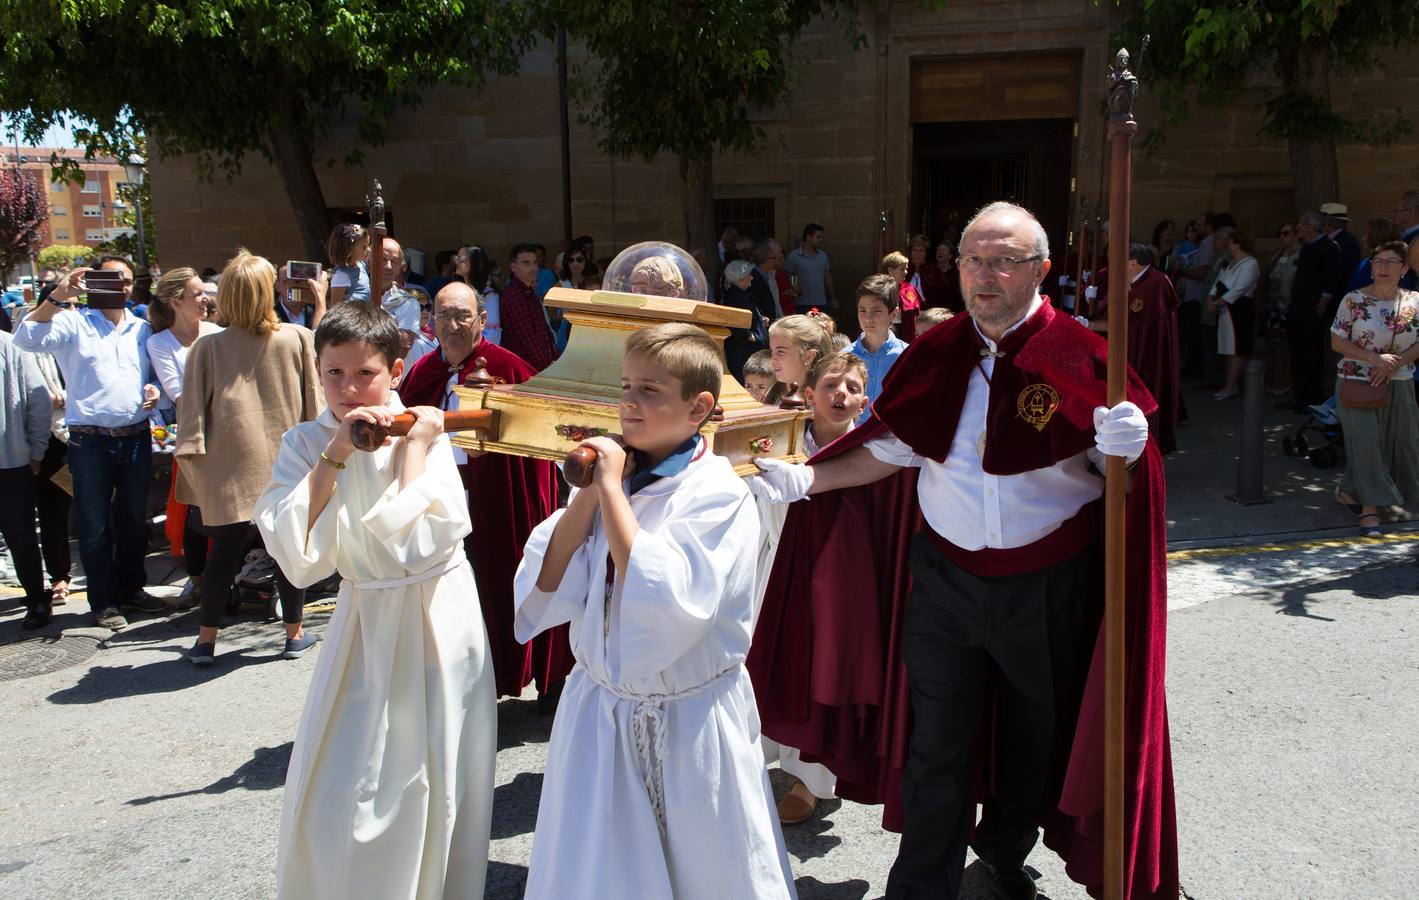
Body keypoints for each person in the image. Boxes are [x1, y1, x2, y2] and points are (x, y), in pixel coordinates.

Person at [748, 201, 1176, 900]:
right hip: (945, 582)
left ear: (1038, 268)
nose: (983, 275)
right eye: (973, 259)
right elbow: (888, 447)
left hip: (1046, 583)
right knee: (935, 747)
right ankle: (920, 888)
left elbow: (1122, 489)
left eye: (1002, 260)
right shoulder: (936, 353)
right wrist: (808, 478)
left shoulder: (1083, 355)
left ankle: (1004, 856)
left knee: (1033, 743)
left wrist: (1125, 451)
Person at [514, 323, 795, 900]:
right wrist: (592, 492)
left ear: (699, 408)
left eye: (650, 391)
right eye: (625, 388)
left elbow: (667, 601)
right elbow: (548, 575)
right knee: (600, 868)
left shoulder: (717, 493)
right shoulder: (614, 475)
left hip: (688, 717)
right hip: (602, 712)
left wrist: (613, 491)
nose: (629, 405)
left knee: (704, 867)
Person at [254, 301, 496, 899]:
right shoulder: (306, 441)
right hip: (366, 615)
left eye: (364, 373)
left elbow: (422, 535)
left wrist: (415, 445)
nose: (348, 387)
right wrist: (335, 453)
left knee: (437, 769)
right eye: (333, 373)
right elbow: (295, 549)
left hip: (438, 610)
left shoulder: (423, 428)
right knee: (349, 775)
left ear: (395, 369)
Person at [398, 282, 570, 705]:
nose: (452, 325)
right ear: (430, 322)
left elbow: (537, 443)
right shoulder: (422, 374)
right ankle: (464, 685)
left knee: (511, 581)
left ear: (480, 320)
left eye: (462, 315)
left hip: (500, 497)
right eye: (443, 316)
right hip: (440, 501)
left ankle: (543, 678)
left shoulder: (510, 369)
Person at [175, 250, 320, 665]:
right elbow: (315, 405)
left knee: (224, 551)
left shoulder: (207, 347)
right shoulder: (296, 338)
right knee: (284, 548)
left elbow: (191, 419)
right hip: (286, 461)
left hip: (227, 466)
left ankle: (206, 642)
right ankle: (294, 634)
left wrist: (193, 468)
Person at [14, 262, 164, 630]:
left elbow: (153, 380)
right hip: (89, 441)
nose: (122, 287)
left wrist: (153, 393)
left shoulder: (142, 328)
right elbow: (26, 338)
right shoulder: (73, 322)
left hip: (135, 437)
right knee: (95, 527)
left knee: (133, 521)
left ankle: (131, 589)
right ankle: (104, 601)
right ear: (94, 282)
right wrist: (59, 294)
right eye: (112, 280)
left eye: (128, 281)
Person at [1330, 241, 1419, 537]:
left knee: (1400, 443)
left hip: (1400, 381)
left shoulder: (1415, 300)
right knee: (1367, 442)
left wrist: (1394, 363)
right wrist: (1374, 359)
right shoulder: (1353, 301)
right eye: (1377, 261)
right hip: (1357, 381)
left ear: (1404, 268)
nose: (1382, 267)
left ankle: (1348, 490)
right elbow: (1337, 341)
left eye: (1390, 262)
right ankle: (1370, 510)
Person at [146, 267, 224, 608]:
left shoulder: (217, 332)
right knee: (196, 510)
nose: (205, 299)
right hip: (193, 438)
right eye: (196, 294)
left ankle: (224, 575)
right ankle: (196, 578)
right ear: (176, 301)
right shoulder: (159, 342)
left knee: (226, 511)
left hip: (226, 434)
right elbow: (178, 394)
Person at [1092, 244, 1183, 455]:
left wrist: (1091, 326)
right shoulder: (1134, 278)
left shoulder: (1155, 283)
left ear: (1132, 263)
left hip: (1149, 349)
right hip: (1135, 343)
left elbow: (1128, 319)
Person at [0, 329, 52, 629]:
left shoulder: (12, 345)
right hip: (14, 462)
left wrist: (35, 450)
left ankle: (37, 599)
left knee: (21, 538)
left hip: (10, 463)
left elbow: (39, 399)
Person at [1286, 210, 1346, 411]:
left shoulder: (1329, 247)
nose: (1298, 228)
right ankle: (1299, 394)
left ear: (1311, 227)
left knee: (1311, 352)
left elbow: (1332, 278)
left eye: (1301, 224)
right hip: (1298, 304)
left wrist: (1321, 305)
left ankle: (1312, 396)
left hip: (1313, 307)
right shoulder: (1306, 248)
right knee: (1297, 351)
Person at [1208, 228, 1260, 401]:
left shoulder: (1250, 263)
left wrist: (1218, 302)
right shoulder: (1230, 262)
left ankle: (1231, 386)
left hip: (1239, 310)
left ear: (1237, 243)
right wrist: (1211, 298)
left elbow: (1240, 288)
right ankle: (1229, 385)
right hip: (1225, 310)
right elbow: (1218, 283)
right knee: (1227, 347)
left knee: (1237, 348)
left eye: (1230, 241)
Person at [850, 274, 907, 423]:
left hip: (890, 441)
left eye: (876, 311)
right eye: (862, 310)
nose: (868, 318)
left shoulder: (906, 356)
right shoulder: (845, 357)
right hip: (850, 437)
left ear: (893, 313)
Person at [500, 243, 558, 371]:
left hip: (537, 369)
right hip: (526, 371)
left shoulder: (529, 294)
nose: (533, 268)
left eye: (535, 263)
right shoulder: (514, 296)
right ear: (513, 267)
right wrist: (549, 368)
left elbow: (544, 333)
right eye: (526, 263)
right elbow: (529, 339)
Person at [1263, 223, 1300, 395]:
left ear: (1295, 235)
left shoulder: (1299, 254)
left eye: (1286, 233)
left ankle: (1285, 381)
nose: (1282, 237)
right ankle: (1275, 380)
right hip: (1273, 307)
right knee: (1274, 345)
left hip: (1288, 307)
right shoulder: (1277, 256)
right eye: (1280, 233)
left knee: (1286, 346)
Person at [766, 313, 833, 407]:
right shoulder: (770, 394)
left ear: (809, 357)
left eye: (780, 351)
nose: (772, 360)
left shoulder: (826, 402)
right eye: (772, 351)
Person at [722, 259, 768, 380]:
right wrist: (749, 335)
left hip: (746, 350)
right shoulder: (735, 296)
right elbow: (733, 320)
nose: (752, 278)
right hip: (743, 351)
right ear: (741, 278)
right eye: (749, 275)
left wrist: (759, 320)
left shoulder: (740, 294)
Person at [783, 223, 836, 311]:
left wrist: (833, 297)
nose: (821, 240)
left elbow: (828, 277)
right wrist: (795, 286)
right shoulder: (794, 256)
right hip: (800, 303)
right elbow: (788, 275)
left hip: (820, 303)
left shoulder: (822, 255)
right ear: (808, 237)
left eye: (821, 237)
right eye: (818, 237)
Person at [1344, 218, 1403, 295]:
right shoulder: (1401, 263)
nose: (1363, 239)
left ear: (1374, 237)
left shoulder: (1366, 265)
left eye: (1366, 234)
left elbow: (1353, 292)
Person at [326, 223, 371, 304]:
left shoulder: (361, 265)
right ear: (349, 249)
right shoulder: (341, 275)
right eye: (364, 247)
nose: (369, 250)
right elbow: (335, 307)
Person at [275, 263, 329, 330]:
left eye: (300, 281)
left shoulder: (318, 311)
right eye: (289, 281)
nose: (295, 286)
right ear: (278, 286)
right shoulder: (270, 316)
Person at [882, 251, 922, 341]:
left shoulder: (910, 289)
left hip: (907, 337)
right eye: (902, 269)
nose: (906, 272)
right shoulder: (879, 290)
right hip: (885, 338)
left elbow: (917, 315)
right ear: (890, 270)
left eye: (906, 269)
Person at [1321, 202, 1362, 281]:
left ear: (1330, 222)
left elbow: (1349, 269)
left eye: (1322, 220)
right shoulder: (1325, 239)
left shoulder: (1348, 241)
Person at [921, 239, 963, 312]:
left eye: (943, 250)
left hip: (951, 311)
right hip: (931, 311)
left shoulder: (956, 273)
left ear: (950, 256)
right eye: (938, 250)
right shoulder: (929, 270)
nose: (940, 252)